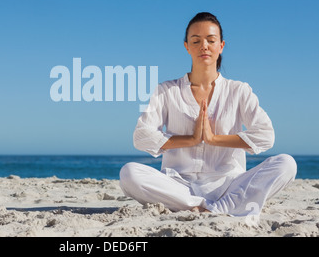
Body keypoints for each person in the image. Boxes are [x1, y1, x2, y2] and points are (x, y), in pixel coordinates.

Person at [119, 12, 297, 217]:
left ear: (221, 46)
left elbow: (266, 135)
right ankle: (201, 205)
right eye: (196, 40)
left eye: (211, 40)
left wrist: (213, 139)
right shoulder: (166, 90)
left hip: (229, 185)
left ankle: (213, 207)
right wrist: (191, 139)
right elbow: (141, 137)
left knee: (286, 164)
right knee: (129, 173)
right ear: (187, 46)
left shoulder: (239, 90)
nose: (204, 46)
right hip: (178, 185)